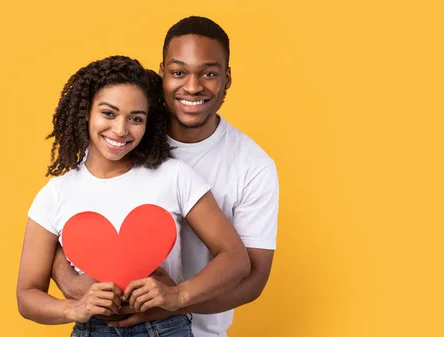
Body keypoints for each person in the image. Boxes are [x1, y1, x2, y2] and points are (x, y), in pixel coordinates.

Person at [51, 17, 280, 337]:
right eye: (178, 72)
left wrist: (174, 302)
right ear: (161, 74)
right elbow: (70, 212)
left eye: (209, 73)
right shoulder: (124, 135)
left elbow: (253, 278)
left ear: (226, 79)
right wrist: (69, 281)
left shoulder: (253, 166)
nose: (192, 86)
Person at [16, 55, 251, 336]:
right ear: (86, 113)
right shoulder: (55, 194)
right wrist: (73, 309)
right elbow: (27, 295)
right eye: (108, 113)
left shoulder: (174, 176)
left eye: (135, 118)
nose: (120, 130)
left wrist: (178, 296)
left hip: (165, 328)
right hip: (92, 330)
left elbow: (235, 258)